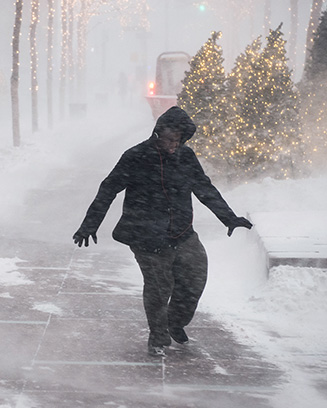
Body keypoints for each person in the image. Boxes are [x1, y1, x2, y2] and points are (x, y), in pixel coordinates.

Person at [73, 106, 252, 357]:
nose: (173, 145)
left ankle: (175, 322)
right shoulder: (135, 156)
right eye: (169, 140)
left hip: (182, 233)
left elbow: (204, 188)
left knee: (195, 278)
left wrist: (229, 218)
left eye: (178, 140)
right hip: (146, 237)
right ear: (157, 134)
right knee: (159, 287)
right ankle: (158, 335)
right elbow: (108, 189)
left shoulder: (186, 157)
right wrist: (89, 225)